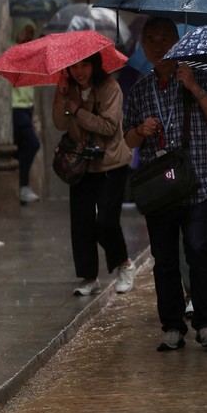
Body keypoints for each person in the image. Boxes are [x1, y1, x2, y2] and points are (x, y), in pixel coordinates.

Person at [123, 16, 207, 352]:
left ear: (177, 40)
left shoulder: (200, 78)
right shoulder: (140, 90)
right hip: (160, 191)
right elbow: (128, 141)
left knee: (199, 251)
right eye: (150, 39)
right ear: (143, 46)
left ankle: (205, 323)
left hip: (197, 182)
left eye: (164, 38)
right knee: (165, 258)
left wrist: (194, 88)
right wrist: (140, 131)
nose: (158, 45)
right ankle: (171, 325)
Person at [52, 52, 138, 297]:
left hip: (111, 162)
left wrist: (77, 111)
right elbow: (59, 123)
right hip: (81, 164)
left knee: (106, 221)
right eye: (75, 66)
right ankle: (89, 276)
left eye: (85, 65)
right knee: (81, 223)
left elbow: (109, 127)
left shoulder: (110, 88)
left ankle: (124, 263)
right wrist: (61, 97)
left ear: (95, 65)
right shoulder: (68, 89)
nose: (80, 71)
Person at [11, 18, 42, 204]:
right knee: (32, 144)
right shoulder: (13, 52)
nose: (28, 35)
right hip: (16, 107)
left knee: (21, 148)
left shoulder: (29, 55)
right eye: (25, 31)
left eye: (31, 32)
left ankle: (20, 186)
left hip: (26, 108)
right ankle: (22, 185)